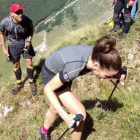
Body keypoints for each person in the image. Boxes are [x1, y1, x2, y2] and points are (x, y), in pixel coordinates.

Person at [39, 36, 126, 140]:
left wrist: (116, 74)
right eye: (107, 76)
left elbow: (107, 67)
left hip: (62, 70)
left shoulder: (99, 55)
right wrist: (65, 116)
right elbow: (48, 89)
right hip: (51, 74)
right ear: (96, 67)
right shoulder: (75, 67)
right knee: (80, 113)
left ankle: (43, 130)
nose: (108, 79)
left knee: (54, 107)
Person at [0, 4, 37, 95]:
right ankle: (19, 83)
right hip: (13, 45)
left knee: (29, 62)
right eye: (17, 13)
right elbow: (1, 33)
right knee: (16, 64)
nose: (20, 14)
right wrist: (4, 48)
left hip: (25, 42)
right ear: (11, 14)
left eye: (21, 12)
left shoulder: (27, 20)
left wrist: (28, 41)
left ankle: (31, 82)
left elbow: (31, 30)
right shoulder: (5, 22)